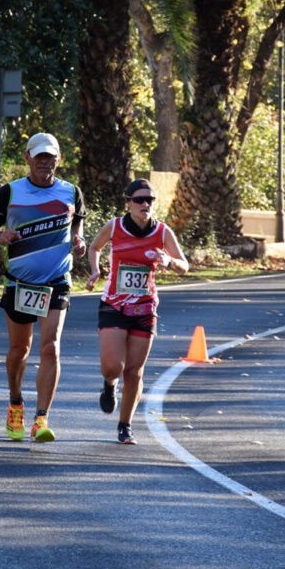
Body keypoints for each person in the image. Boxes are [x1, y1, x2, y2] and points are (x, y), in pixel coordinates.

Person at [0, 133, 86, 443]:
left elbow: (77, 226)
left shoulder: (71, 192)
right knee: (19, 350)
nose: (44, 162)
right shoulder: (10, 192)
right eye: (38, 156)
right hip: (20, 284)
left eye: (49, 156)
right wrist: (0, 237)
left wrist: (78, 241)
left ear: (58, 159)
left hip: (56, 281)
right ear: (27, 157)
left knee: (50, 346)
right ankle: (15, 403)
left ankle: (42, 418)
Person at [85, 179, 189, 444]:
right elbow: (95, 247)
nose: (145, 204)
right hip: (114, 304)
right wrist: (96, 271)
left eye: (150, 200)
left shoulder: (163, 232)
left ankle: (125, 425)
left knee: (134, 371)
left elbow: (184, 265)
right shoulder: (115, 226)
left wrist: (169, 261)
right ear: (128, 202)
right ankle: (109, 385)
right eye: (139, 200)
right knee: (112, 367)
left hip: (144, 307)